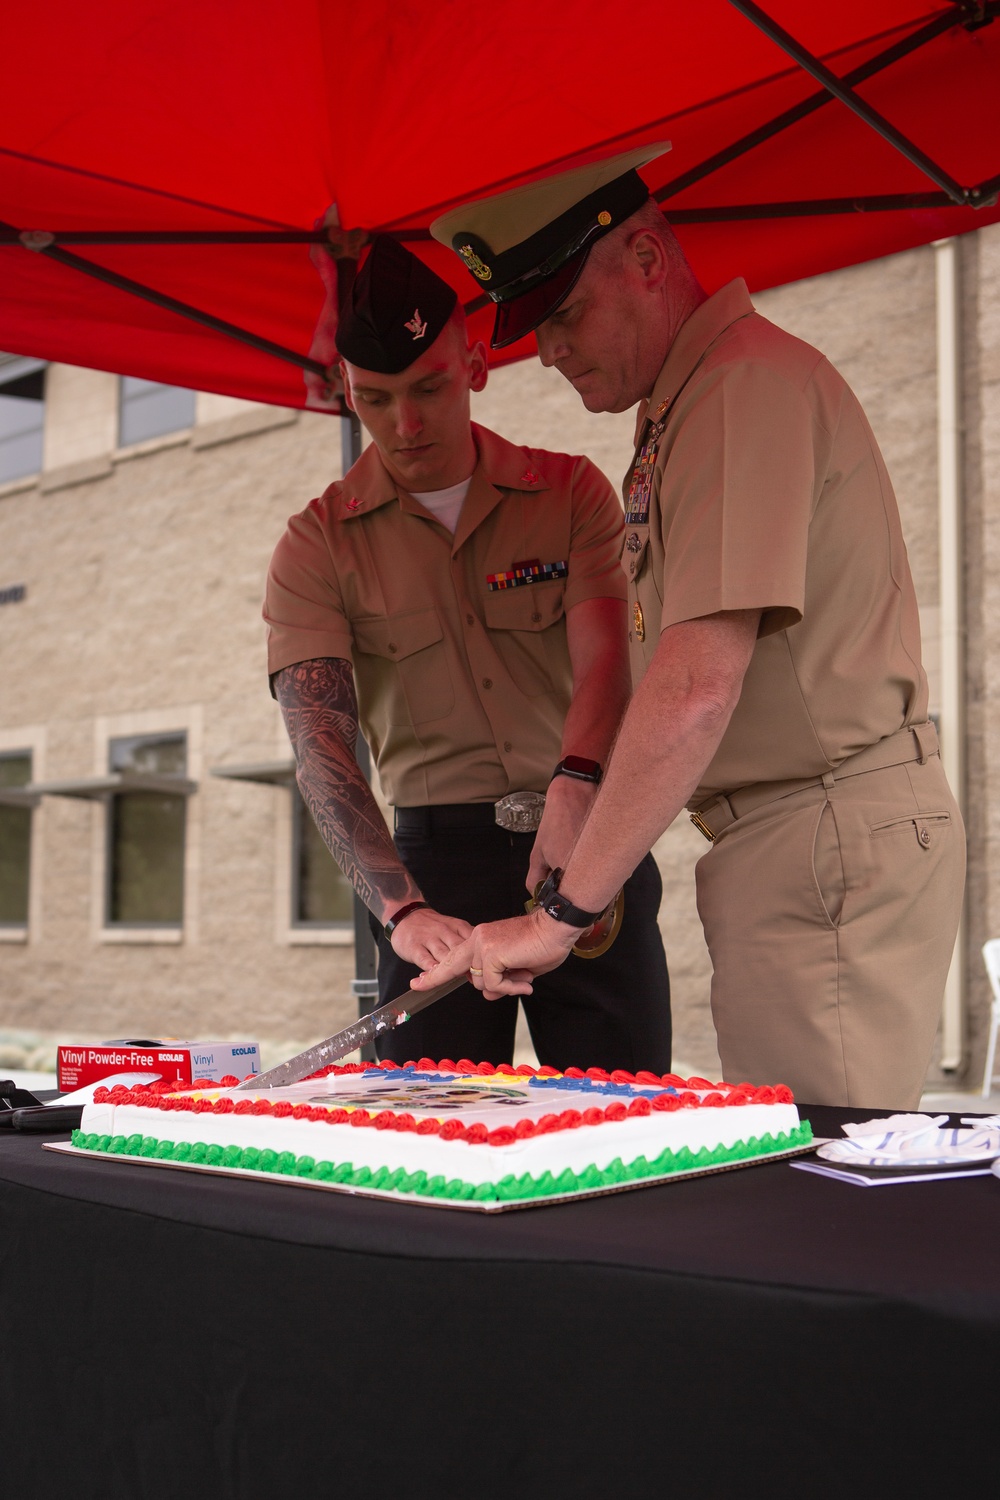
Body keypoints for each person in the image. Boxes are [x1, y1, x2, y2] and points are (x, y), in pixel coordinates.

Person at [415, 145, 966, 1109]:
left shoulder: (738, 388)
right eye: (533, 328)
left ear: (647, 258)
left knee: (819, 1203)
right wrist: (583, 781)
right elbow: (670, 658)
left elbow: (698, 683)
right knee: (800, 1187)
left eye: (567, 312)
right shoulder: (691, 401)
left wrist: (559, 917)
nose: (549, 350)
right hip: (789, 834)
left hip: (820, 824)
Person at [263, 234, 671, 1072]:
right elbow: (322, 749)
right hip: (428, 871)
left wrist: (581, 786)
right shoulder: (316, 544)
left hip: (583, 836)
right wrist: (400, 912)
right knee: (422, 1141)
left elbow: (607, 665)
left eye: (430, 387)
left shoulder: (569, 493)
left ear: (478, 364)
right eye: (375, 399)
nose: (405, 425)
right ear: (347, 390)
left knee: (621, 1121)